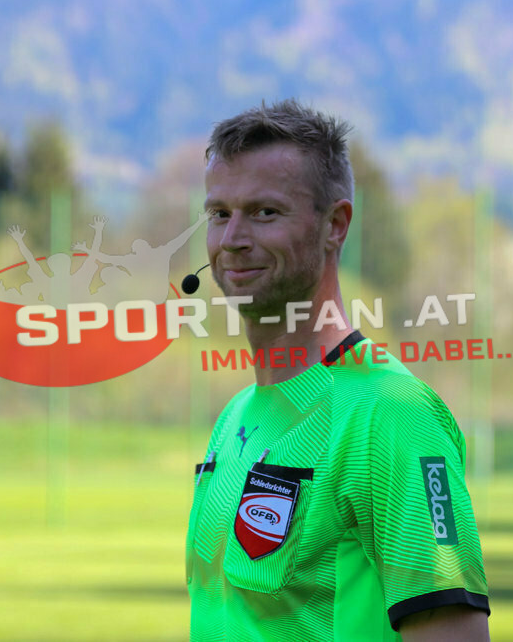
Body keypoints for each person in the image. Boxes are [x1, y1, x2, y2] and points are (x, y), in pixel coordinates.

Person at [186, 100, 489, 641]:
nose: (232, 239)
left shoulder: (392, 415)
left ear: (335, 225)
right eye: (219, 214)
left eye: (264, 212)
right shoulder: (234, 417)